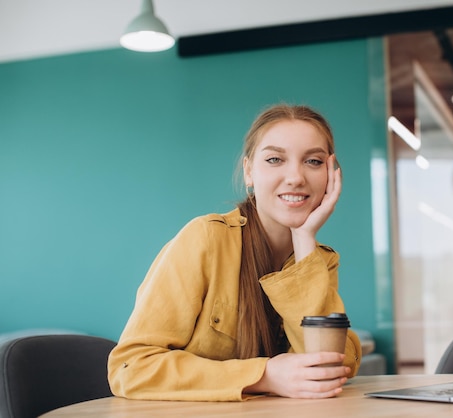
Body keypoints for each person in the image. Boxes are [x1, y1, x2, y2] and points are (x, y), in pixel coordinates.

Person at [107, 104, 362, 402]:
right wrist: (265, 376)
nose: (295, 177)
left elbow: (328, 366)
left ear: (331, 175)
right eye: (275, 159)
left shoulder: (317, 262)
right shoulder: (206, 238)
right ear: (249, 171)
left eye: (314, 161)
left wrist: (304, 237)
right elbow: (131, 368)